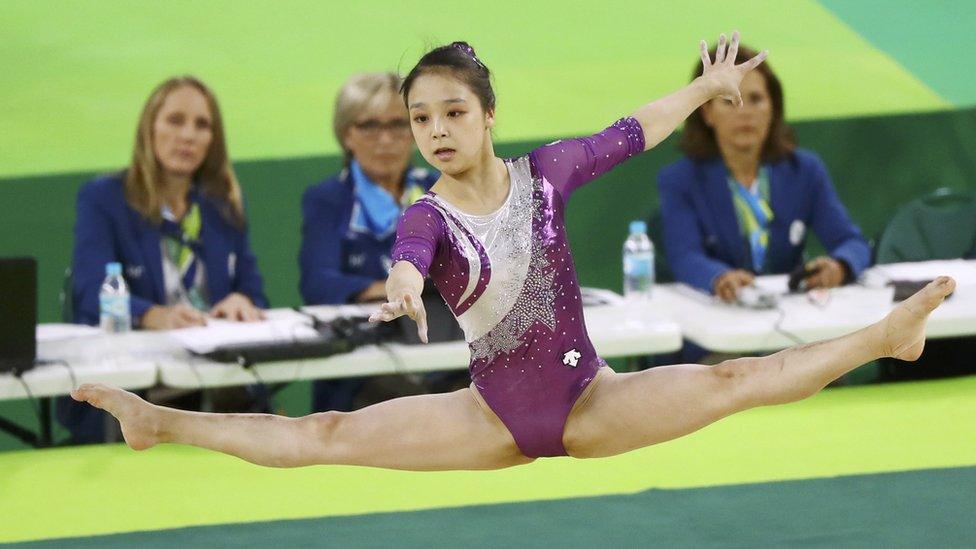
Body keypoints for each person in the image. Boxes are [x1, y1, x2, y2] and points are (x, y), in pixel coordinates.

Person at [71, 35, 953, 470]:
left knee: (734, 379)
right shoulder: (427, 213)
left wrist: (705, 87)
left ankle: (886, 336)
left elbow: (631, 132)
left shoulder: (545, 176)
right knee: (325, 433)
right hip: (489, 414)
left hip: (592, 400)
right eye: (421, 118)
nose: (435, 130)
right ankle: (160, 420)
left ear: (488, 113)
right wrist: (406, 284)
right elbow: (410, 252)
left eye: (453, 111)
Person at [62, 76, 268, 443]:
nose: (188, 135)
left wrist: (244, 300)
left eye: (202, 125)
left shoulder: (222, 206)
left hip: (216, 383)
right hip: (140, 388)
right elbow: (89, 289)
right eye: (175, 120)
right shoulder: (104, 199)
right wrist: (151, 314)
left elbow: (253, 289)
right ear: (149, 129)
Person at [658, 45, 871, 302]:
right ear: (707, 112)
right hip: (719, 318)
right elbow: (685, 257)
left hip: (791, 318)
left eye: (756, 99)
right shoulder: (680, 180)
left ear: (773, 108)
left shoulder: (804, 170)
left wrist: (840, 266)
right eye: (729, 100)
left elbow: (852, 242)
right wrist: (719, 278)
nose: (744, 111)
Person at [300, 72, 441, 412]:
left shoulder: (440, 188)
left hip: (440, 349)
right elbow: (319, 283)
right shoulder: (329, 198)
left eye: (398, 125)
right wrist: (395, 289)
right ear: (347, 134)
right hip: (362, 368)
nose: (386, 140)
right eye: (370, 126)